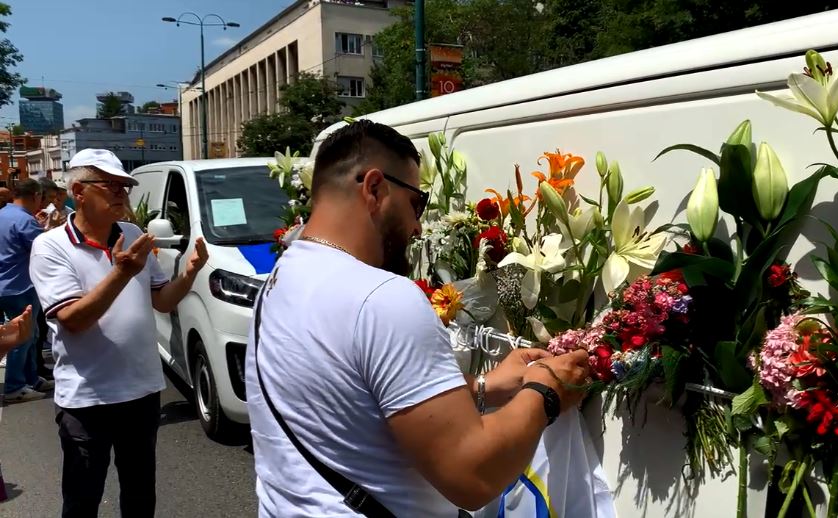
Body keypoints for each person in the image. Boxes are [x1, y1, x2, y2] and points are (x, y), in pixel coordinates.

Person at [246, 120, 591, 517]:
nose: (417, 226)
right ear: (374, 188)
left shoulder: (280, 278)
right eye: (417, 203)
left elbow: (356, 395)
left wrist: (487, 387)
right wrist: (545, 392)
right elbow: (473, 475)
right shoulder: (381, 298)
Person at [29, 148, 209, 518]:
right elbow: (74, 319)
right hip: (86, 399)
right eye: (109, 186)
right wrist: (121, 272)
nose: (121, 194)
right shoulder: (50, 246)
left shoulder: (131, 233)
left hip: (140, 392)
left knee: (140, 496)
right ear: (78, 192)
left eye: (124, 187)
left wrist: (189, 275)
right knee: (82, 500)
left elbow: (161, 300)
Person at [0, 179, 52, 403]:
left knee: (29, 335)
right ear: (35, 196)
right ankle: (15, 386)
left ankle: (31, 378)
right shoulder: (24, 220)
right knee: (23, 337)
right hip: (20, 285)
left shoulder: (3, 215)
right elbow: (44, 250)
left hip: (6, 285)